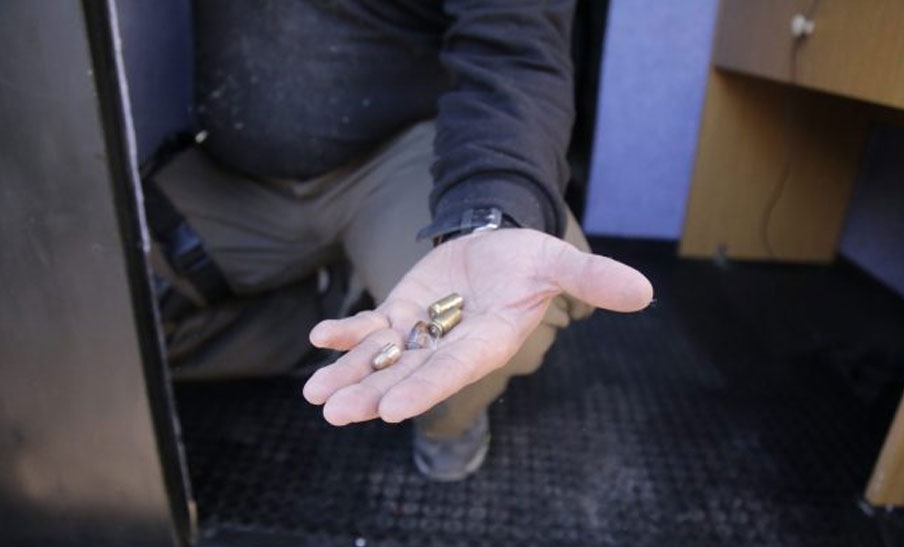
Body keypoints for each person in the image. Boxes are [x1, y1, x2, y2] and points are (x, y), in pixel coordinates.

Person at [147, 0, 653, 481]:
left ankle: (446, 422)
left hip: (405, 157)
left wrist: (489, 214)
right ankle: (333, 314)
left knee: (494, 313)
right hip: (238, 173)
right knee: (116, 320)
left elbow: (517, 46)